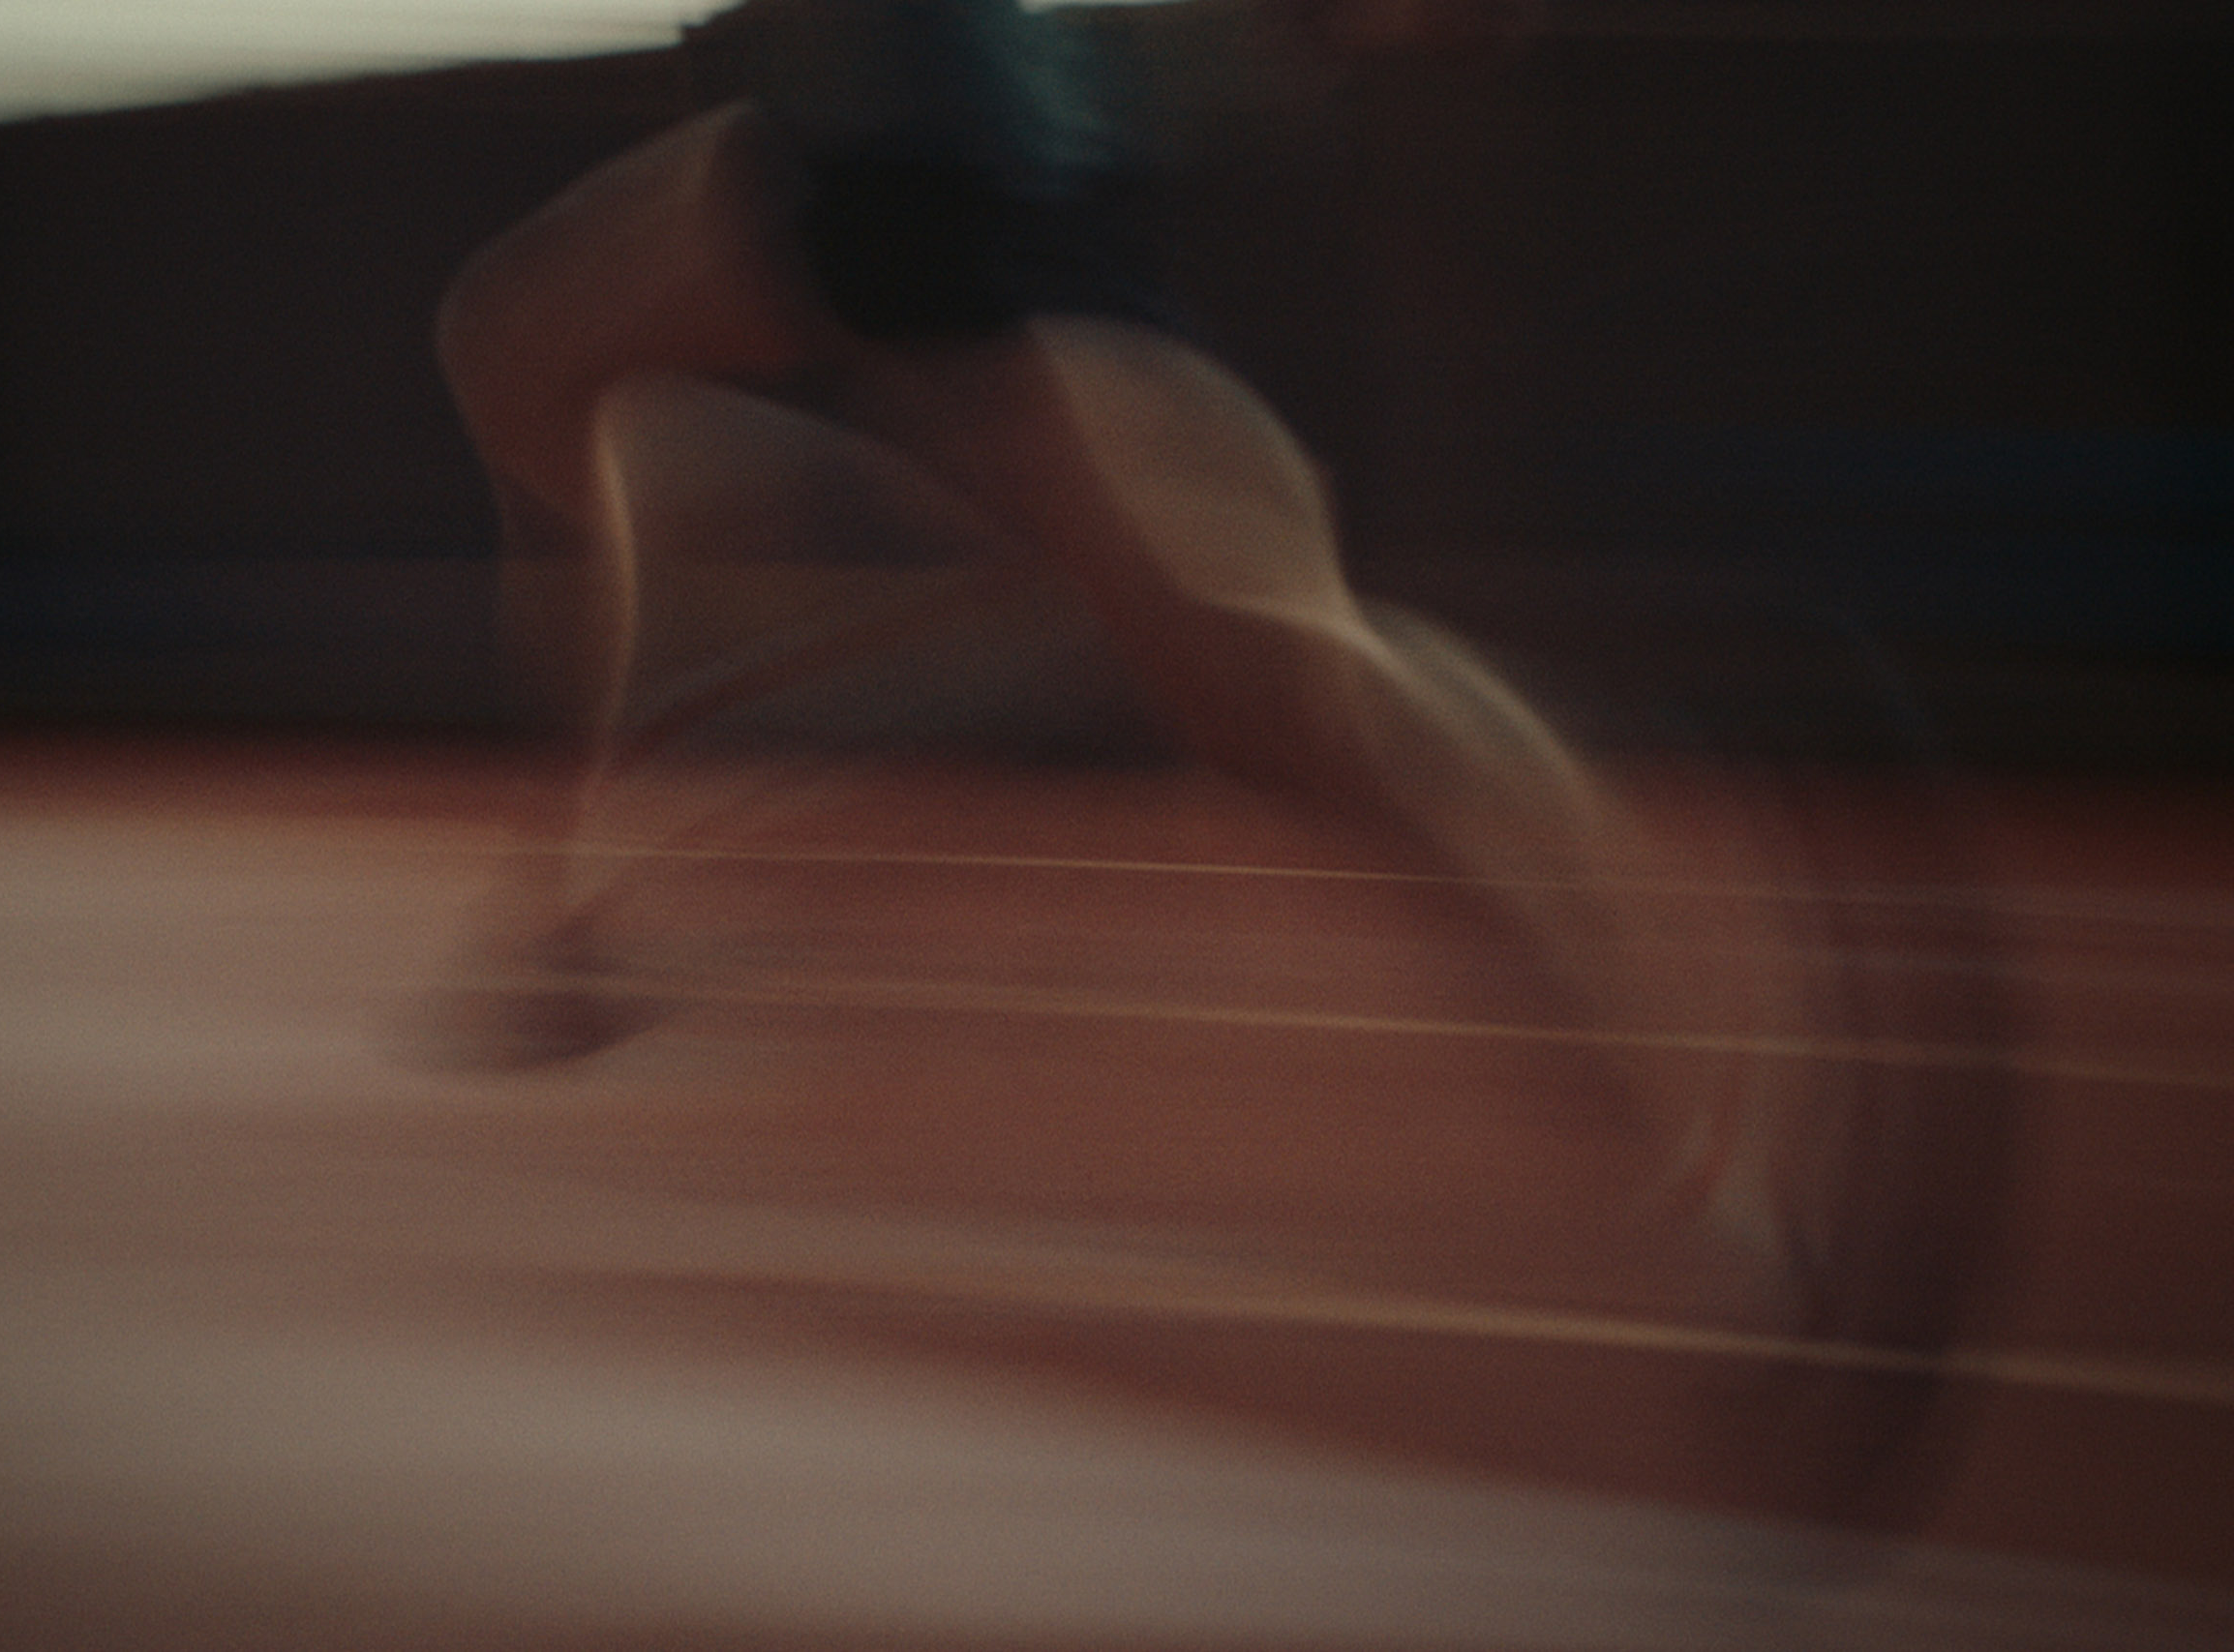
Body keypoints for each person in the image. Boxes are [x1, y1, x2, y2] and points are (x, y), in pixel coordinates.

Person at [431, 0, 1838, 1344]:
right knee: (524, 344)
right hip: (867, 176)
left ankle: (1699, 1159)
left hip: (964, 212)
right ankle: (572, 911)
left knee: (1301, 708)